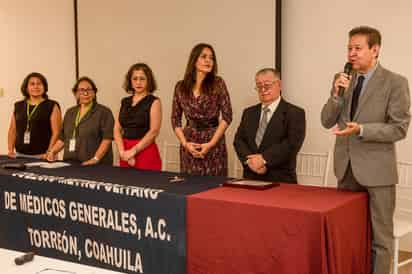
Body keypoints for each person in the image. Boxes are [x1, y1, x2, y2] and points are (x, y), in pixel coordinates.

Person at [321, 26, 410, 274]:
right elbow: (326, 120)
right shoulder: (342, 80)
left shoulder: (395, 83)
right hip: (346, 169)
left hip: (378, 173)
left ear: (375, 50)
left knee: (380, 241)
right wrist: (337, 95)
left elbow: (399, 129)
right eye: (349, 48)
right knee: (349, 235)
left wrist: (362, 130)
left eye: (357, 48)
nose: (351, 53)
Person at [233, 68, 306, 183]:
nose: (263, 90)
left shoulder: (295, 113)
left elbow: (291, 144)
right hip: (250, 177)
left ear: (279, 85)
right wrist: (250, 162)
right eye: (259, 86)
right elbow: (239, 140)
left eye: (267, 85)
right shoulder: (248, 113)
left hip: (281, 180)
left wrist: (263, 159)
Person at [171, 43, 232, 176]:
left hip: (213, 140)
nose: (208, 60)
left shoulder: (218, 83)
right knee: (190, 186)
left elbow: (227, 116)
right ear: (194, 60)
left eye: (211, 58)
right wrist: (185, 143)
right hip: (189, 142)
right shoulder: (180, 87)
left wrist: (211, 144)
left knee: (215, 187)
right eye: (204, 57)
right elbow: (175, 119)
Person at [46, 77, 114, 165]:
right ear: (76, 93)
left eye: (89, 90)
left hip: (95, 164)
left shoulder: (104, 112)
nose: (85, 93)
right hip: (71, 163)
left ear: (94, 92)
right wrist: (53, 152)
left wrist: (96, 158)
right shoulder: (70, 112)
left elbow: (107, 139)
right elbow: (63, 138)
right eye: (81, 90)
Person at [114, 63, 162, 170]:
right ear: (130, 81)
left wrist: (133, 151)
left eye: (142, 79)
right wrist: (122, 152)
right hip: (125, 153)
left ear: (148, 81)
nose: (138, 82)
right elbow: (116, 129)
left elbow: (154, 131)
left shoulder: (154, 101)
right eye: (135, 79)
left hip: (145, 151)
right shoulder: (124, 102)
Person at [7, 72, 61, 158]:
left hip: (43, 155)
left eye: (39, 84)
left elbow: (57, 132)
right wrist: (10, 150)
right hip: (20, 155)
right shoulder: (18, 105)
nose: (36, 86)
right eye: (32, 84)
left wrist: (50, 151)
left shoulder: (52, 105)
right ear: (27, 88)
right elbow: (12, 130)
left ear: (44, 87)